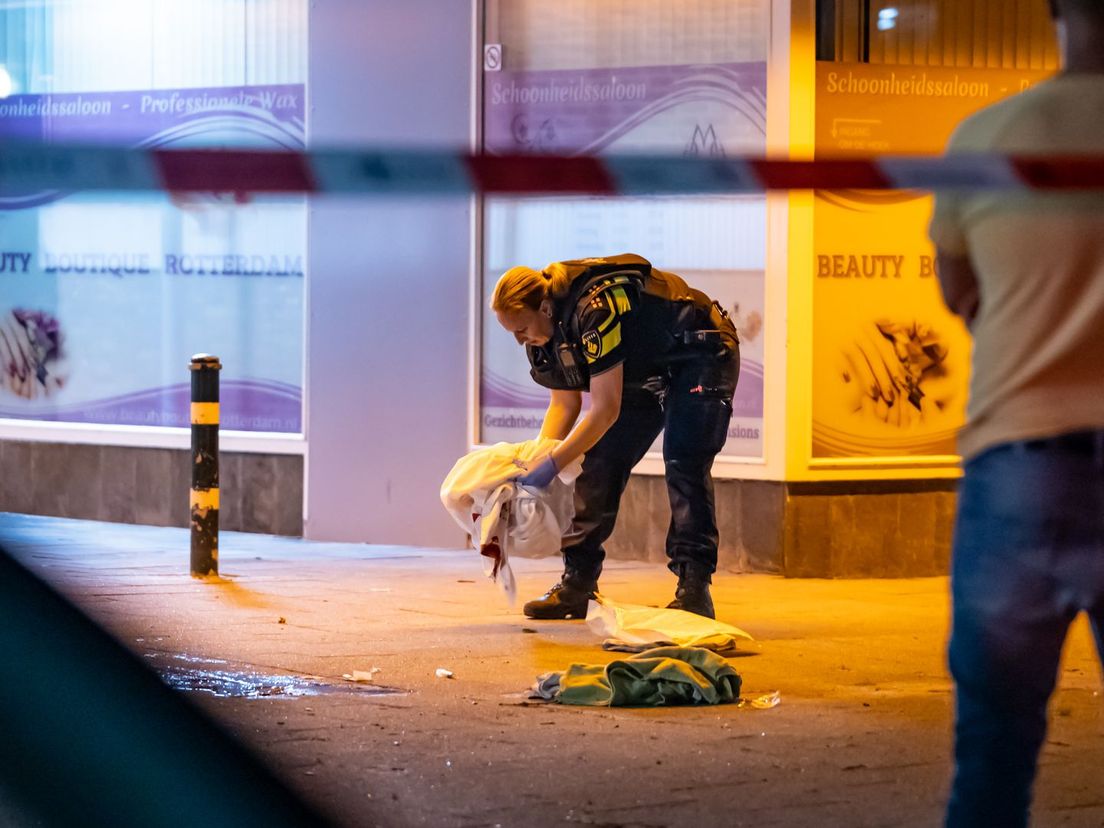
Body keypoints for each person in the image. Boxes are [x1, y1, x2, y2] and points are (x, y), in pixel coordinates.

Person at [928, 1, 1104, 824]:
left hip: (1021, 457)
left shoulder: (985, 136)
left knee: (994, 750)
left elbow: (962, 292)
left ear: (1054, 12)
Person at [490, 253, 739, 620]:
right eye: (512, 333)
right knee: (600, 462)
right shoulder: (543, 333)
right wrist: (534, 461)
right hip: (647, 367)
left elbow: (605, 409)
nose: (519, 341)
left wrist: (554, 463)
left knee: (684, 462)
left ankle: (694, 588)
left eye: (521, 329)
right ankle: (577, 585)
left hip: (700, 351)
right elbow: (564, 404)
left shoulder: (595, 311)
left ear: (544, 307)